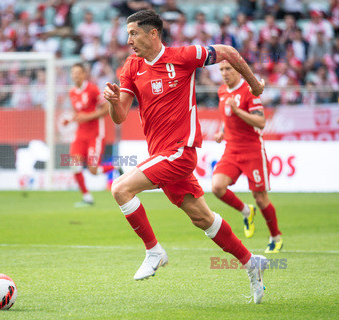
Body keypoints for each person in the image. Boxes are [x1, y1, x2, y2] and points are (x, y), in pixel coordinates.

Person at [103, 10, 268, 303]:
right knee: (202, 218)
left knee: (120, 188)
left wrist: (254, 84)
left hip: (180, 151)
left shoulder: (183, 56)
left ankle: (154, 251)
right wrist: (115, 102)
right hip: (160, 154)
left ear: (153, 33)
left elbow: (228, 51)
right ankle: (250, 262)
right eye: (127, 34)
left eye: (134, 33)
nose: (128, 40)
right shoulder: (131, 67)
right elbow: (119, 117)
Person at [211, 60, 283, 253]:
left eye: (228, 69)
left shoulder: (249, 90)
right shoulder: (222, 91)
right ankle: (246, 211)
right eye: (222, 69)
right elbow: (228, 119)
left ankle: (276, 237)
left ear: (238, 71)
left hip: (252, 150)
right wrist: (222, 132)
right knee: (217, 187)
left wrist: (238, 111)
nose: (224, 73)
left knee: (260, 198)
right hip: (231, 149)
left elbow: (260, 122)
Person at [63, 63, 120, 207]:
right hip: (80, 135)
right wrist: (69, 119)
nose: (75, 75)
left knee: (93, 170)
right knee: (74, 165)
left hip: (95, 135)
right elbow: (79, 112)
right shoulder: (72, 92)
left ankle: (116, 167)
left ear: (84, 74)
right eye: (73, 73)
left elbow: (106, 109)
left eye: (78, 72)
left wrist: (86, 117)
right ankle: (87, 197)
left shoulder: (93, 89)